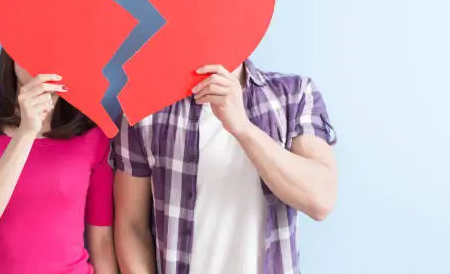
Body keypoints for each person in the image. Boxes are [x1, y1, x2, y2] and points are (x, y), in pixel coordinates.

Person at [114, 60, 338, 274]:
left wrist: (242, 127)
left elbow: (320, 200)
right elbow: (131, 224)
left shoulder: (295, 95)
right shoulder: (143, 109)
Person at [0, 49, 118, 274]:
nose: (45, 61)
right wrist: (26, 132)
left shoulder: (93, 137)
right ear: (11, 55)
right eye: (33, 44)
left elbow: (101, 243)